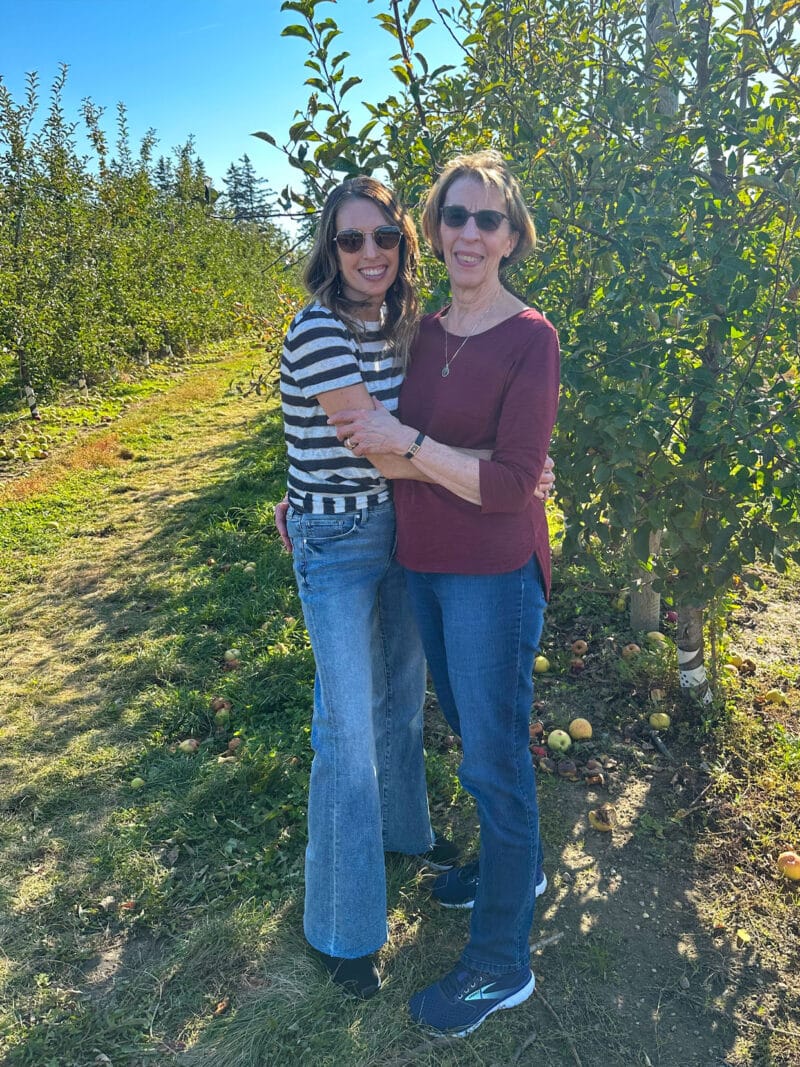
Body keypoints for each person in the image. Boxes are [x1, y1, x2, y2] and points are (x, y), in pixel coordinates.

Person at [277, 173, 554, 1001]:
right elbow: (368, 438)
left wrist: (509, 475)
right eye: (352, 239)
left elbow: (453, 441)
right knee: (350, 729)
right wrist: (500, 476)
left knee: (421, 716)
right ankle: (343, 927)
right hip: (358, 544)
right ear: (330, 248)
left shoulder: (431, 330)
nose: (371, 252)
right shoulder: (365, 331)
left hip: (430, 547)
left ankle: (440, 873)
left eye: (383, 237)